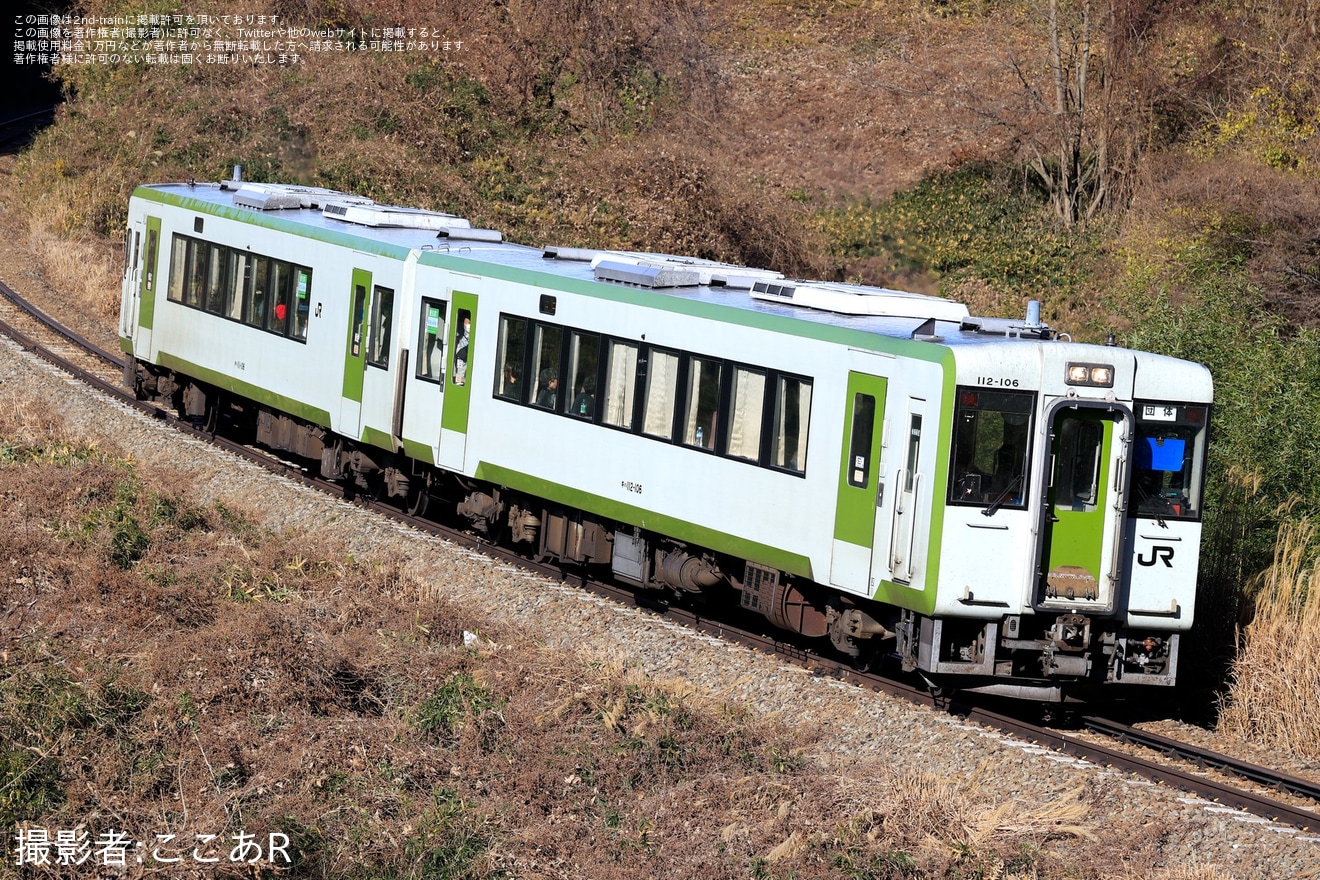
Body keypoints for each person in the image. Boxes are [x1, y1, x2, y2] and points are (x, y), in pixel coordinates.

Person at [453, 315, 470, 385]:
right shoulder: (462, 340)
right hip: (462, 354)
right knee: (460, 376)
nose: (468, 325)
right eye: (467, 322)